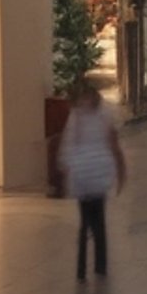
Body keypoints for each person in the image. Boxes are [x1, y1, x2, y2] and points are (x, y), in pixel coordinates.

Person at [57, 81, 126, 282]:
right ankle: (100, 265)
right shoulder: (105, 113)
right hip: (97, 175)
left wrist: (65, 167)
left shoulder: (77, 115)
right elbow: (113, 145)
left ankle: (81, 269)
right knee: (98, 223)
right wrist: (120, 171)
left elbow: (69, 143)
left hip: (83, 175)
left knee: (85, 223)